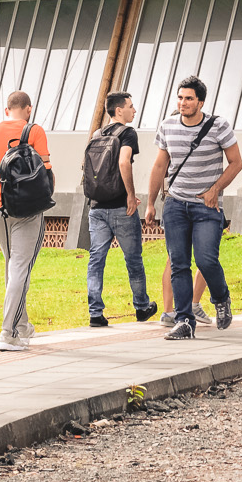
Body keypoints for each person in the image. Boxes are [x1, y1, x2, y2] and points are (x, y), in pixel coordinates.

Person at [147, 77, 242, 341]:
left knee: (205, 259)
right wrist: (151, 203)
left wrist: (215, 189)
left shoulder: (218, 126)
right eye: (180, 98)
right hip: (176, 204)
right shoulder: (167, 126)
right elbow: (159, 167)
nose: (183, 103)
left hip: (207, 206)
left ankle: (221, 297)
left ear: (200, 101)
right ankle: (184, 321)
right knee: (179, 264)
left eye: (189, 98)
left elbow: (236, 163)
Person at [0, 90, 50, 352]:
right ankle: (7, 333)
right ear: (28, 109)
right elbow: (46, 173)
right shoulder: (35, 131)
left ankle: (22, 326)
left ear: (6, 109)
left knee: (12, 267)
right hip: (29, 210)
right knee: (21, 268)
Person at [84, 91, 157, 327]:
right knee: (133, 259)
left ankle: (95, 313)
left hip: (96, 206)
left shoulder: (97, 134)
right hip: (120, 207)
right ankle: (142, 307)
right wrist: (131, 196)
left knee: (96, 260)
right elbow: (124, 162)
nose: (134, 110)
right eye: (131, 106)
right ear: (119, 110)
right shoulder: (127, 133)